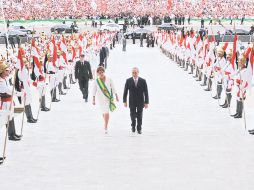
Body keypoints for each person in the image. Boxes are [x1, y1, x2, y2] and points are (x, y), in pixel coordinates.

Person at [92, 66, 119, 134]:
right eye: (99, 72)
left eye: (102, 72)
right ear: (97, 73)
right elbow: (94, 90)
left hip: (108, 98)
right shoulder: (96, 81)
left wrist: (116, 95)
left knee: (106, 112)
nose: (101, 73)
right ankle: (105, 122)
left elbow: (113, 87)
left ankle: (105, 126)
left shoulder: (109, 79)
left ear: (104, 72)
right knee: (104, 112)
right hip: (100, 99)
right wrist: (93, 99)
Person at [0, 62, 22, 141]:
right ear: (2, 71)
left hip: (9, 101)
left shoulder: (5, 79)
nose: (8, 72)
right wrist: (19, 94)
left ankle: (14, 133)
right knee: (8, 119)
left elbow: (10, 87)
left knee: (11, 117)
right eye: (6, 70)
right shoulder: (1, 82)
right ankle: (11, 135)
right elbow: (8, 90)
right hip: (5, 102)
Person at [123, 67, 149, 134]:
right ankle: (133, 126)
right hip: (132, 101)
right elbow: (125, 91)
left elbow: (146, 92)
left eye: (135, 72)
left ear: (138, 73)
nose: (134, 74)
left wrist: (146, 102)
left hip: (140, 101)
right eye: (133, 73)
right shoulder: (128, 80)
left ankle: (139, 128)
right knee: (132, 115)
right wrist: (124, 101)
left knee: (140, 115)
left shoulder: (143, 81)